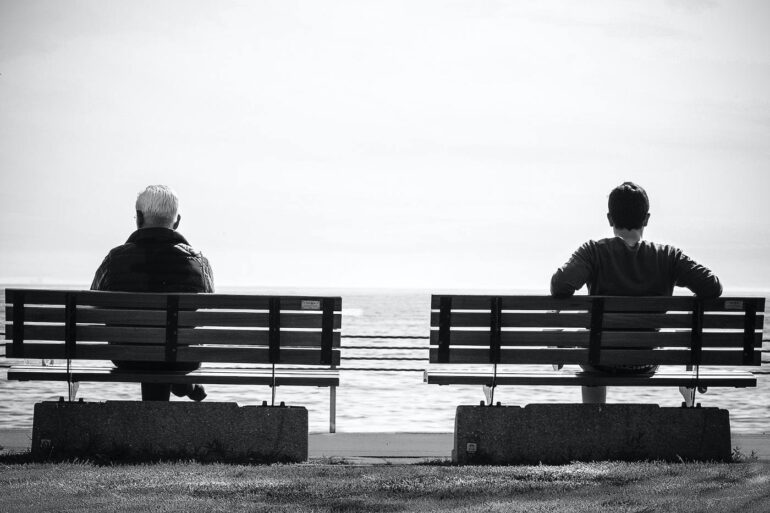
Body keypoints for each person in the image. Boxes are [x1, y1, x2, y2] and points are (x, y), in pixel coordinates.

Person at [550, 181, 722, 404]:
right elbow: (712, 287)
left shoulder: (593, 252)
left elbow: (559, 285)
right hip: (647, 360)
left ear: (610, 218)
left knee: (587, 348)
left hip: (599, 360)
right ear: (647, 219)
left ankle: (594, 416)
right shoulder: (669, 256)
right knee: (591, 347)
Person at [91, 185, 214, 401]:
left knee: (151, 350)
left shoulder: (114, 259)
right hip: (182, 357)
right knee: (169, 350)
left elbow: (93, 306)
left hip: (127, 356)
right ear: (176, 221)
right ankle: (182, 382)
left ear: (139, 218)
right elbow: (206, 309)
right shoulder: (198, 262)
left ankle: (180, 386)